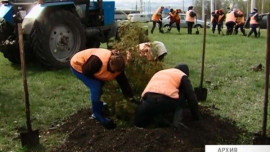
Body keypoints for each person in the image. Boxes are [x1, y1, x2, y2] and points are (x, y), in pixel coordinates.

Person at [70, 48, 136, 129]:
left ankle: (99, 104)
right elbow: (86, 71)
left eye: (117, 71)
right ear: (110, 63)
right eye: (114, 71)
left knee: (100, 85)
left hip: (91, 68)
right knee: (96, 86)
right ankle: (97, 114)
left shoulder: (118, 66)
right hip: (79, 65)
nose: (115, 73)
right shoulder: (97, 62)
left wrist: (130, 98)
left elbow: (124, 83)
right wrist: (100, 80)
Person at [134, 64, 199, 128]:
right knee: (182, 94)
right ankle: (176, 124)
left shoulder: (161, 72)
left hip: (147, 100)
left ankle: (155, 121)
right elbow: (191, 98)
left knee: (140, 124)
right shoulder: (181, 75)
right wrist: (196, 117)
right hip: (165, 101)